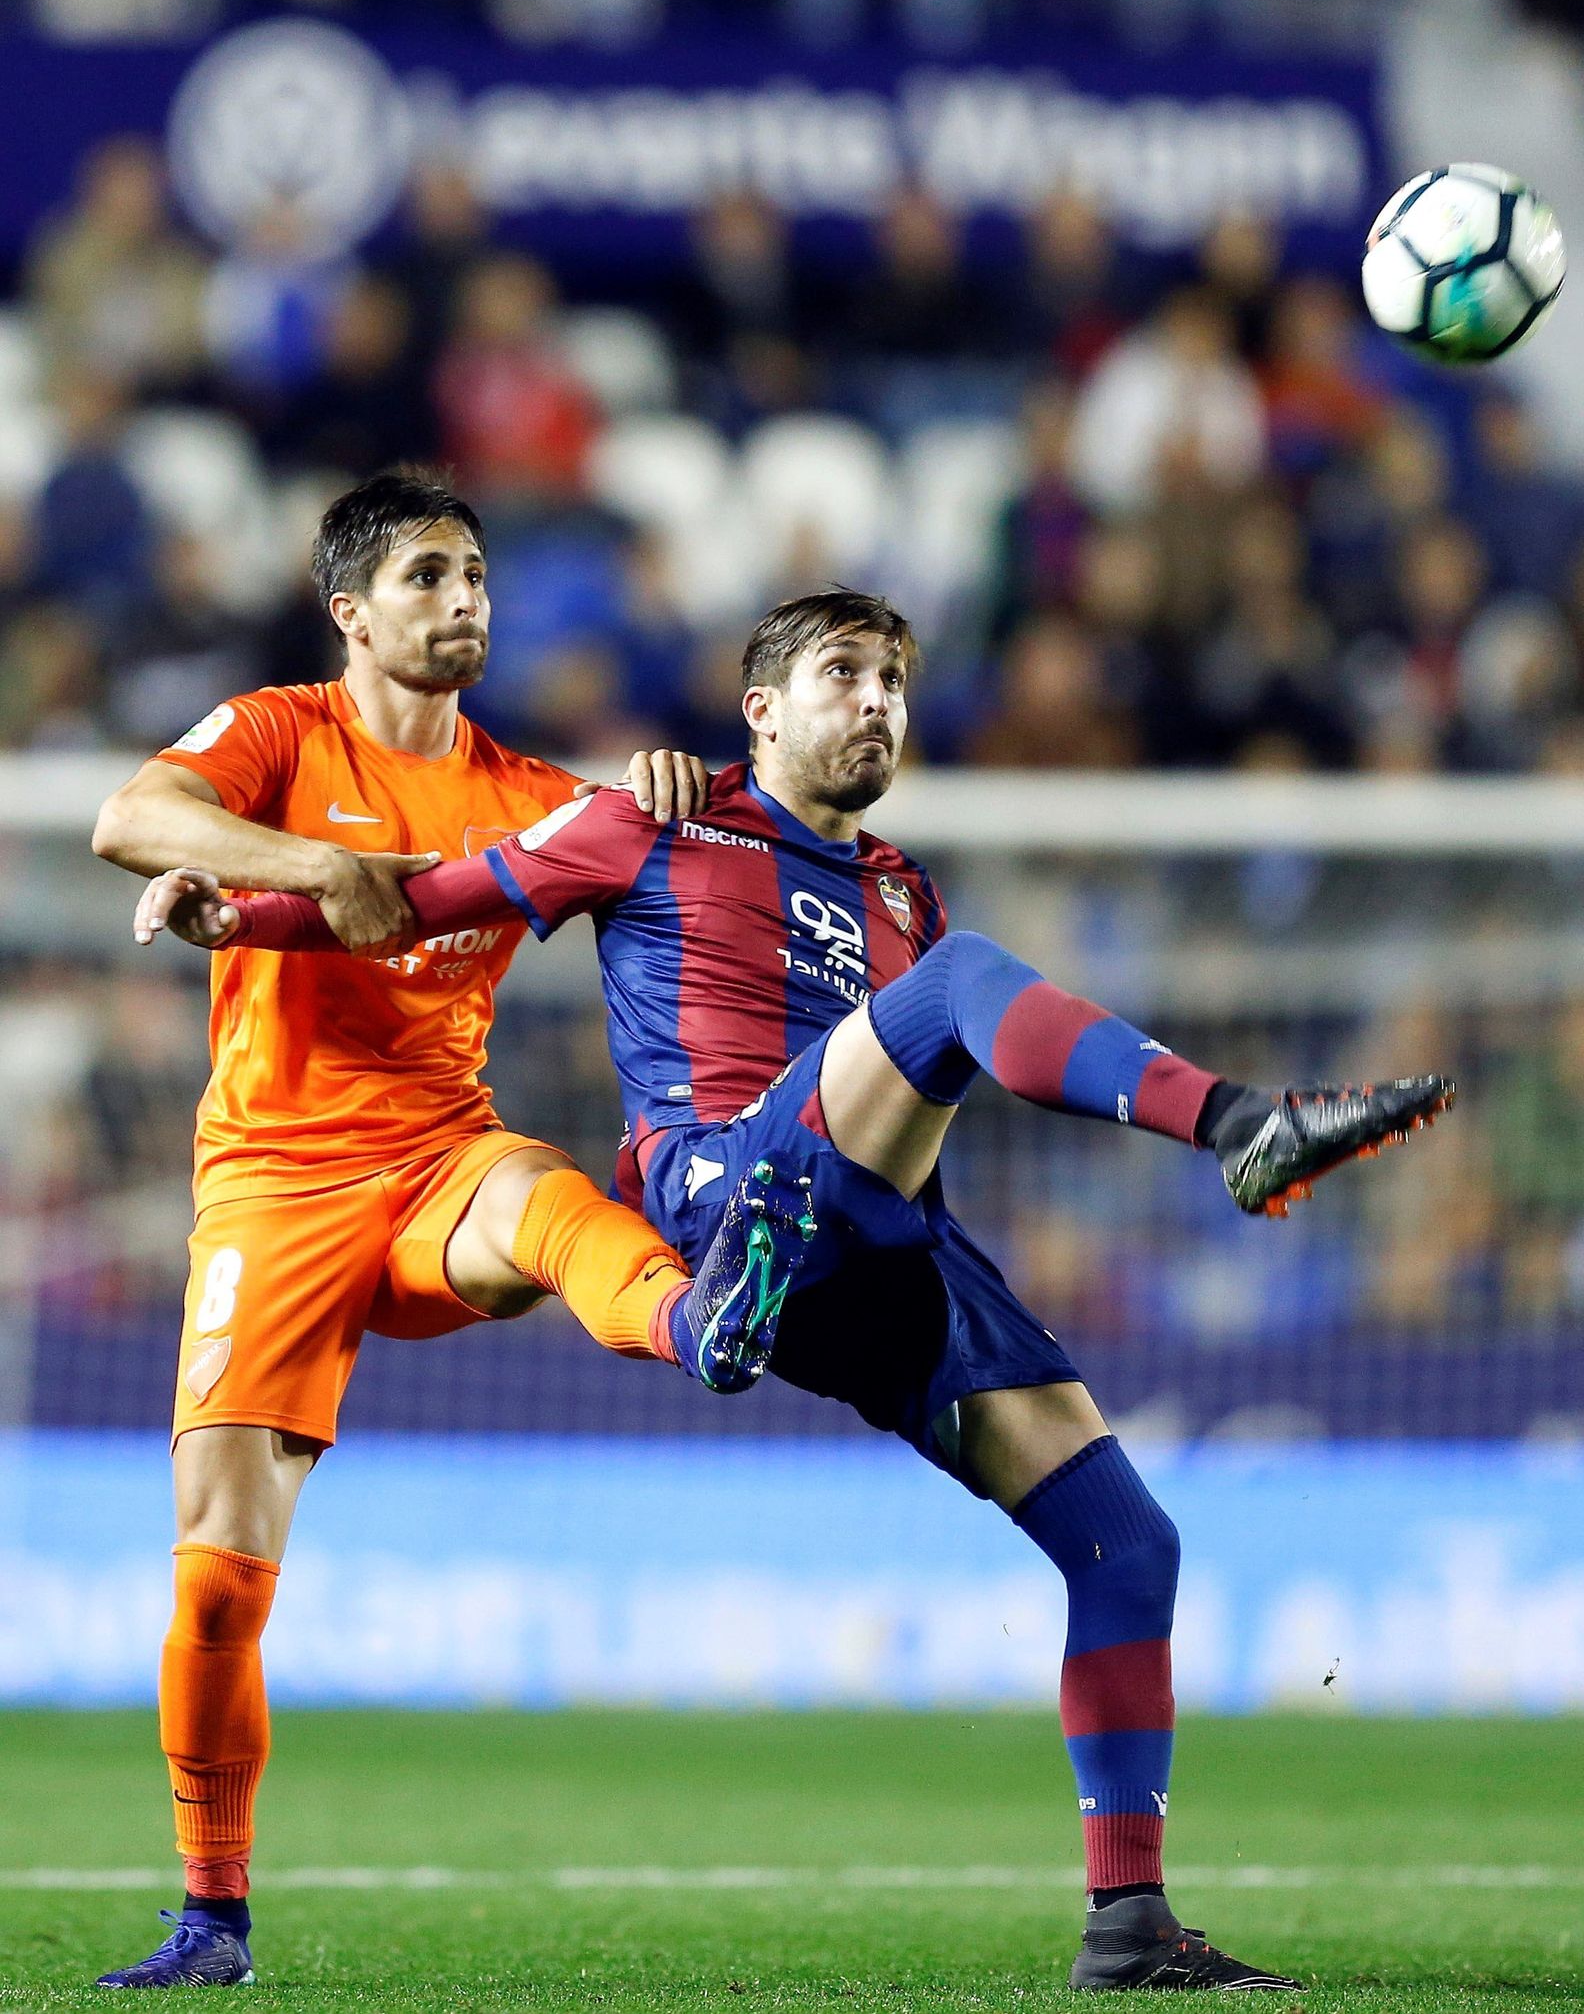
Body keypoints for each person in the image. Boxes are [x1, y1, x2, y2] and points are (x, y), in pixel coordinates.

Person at [151, 588, 1454, 1991]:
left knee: (1128, 1545)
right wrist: (243, 908)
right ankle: (1240, 1122)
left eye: (895, 675)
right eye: (844, 672)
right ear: (761, 707)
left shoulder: (903, 888)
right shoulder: (653, 817)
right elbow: (421, 899)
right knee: (957, 988)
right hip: (731, 1186)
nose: (878, 698)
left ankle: (1128, 1922)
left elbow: (933, 1082)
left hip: (875, 1239)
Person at [88, 466, 809, 1990]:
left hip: (432, 1162)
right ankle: (212, 1914)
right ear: (351, 610)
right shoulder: (284, 730)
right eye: (426, 575)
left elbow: (666, 859)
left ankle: (706, 1319)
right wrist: (300, 867)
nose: (461, 597)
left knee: (541, 1202)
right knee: (218, 1575)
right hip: (271, 1186)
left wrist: (681, 786)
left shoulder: (533, 795)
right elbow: (133, 816)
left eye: (475, 573)